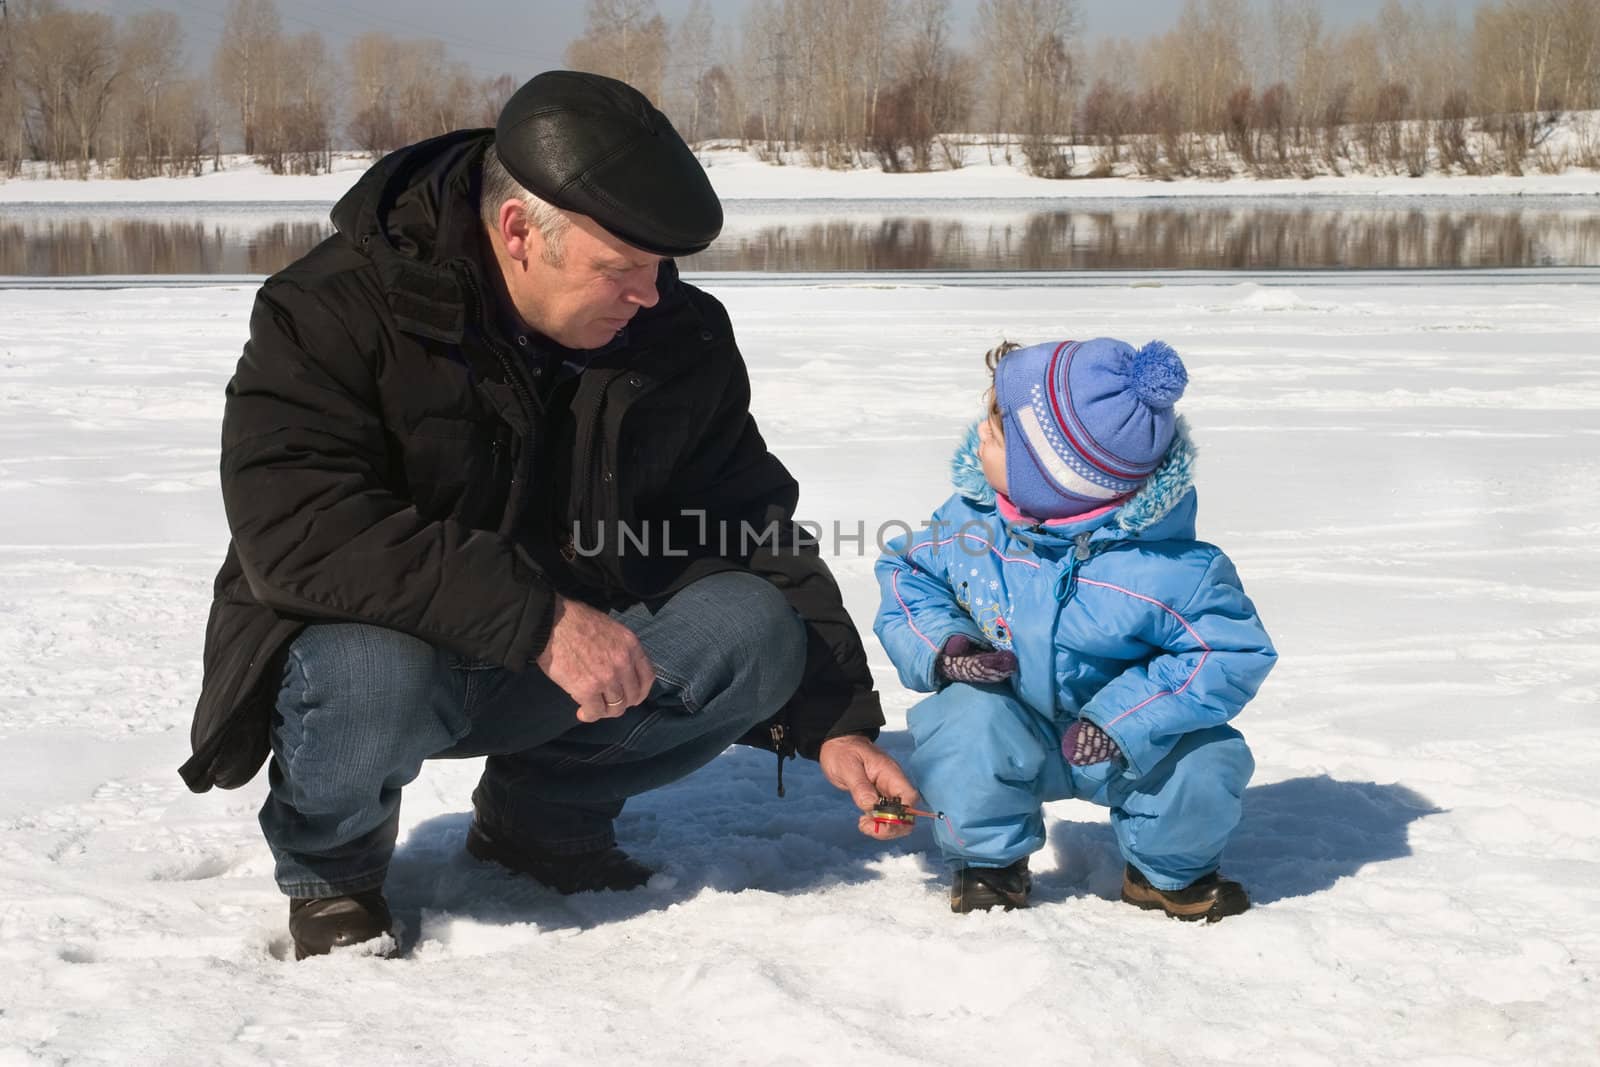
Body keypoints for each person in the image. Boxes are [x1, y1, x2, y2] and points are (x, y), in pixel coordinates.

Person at [181, 70, 917, 960]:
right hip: (383, 648)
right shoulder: (329, 310)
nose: (650, 294)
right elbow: (301, 531)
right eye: (622, 271)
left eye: (659, 268)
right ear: (519, 231)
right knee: (370, 672)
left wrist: (834, 718)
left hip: (566, 664)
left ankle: (541, 819)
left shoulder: (675, 330)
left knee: (755, 631)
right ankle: (332, 868)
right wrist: (536, 618)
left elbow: (745, 516)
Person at [873, 336, 1276, 919]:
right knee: (963, 722)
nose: (981, 433)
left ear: (1054, 478)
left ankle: (1166, 873)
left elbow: (1227, 652)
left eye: (1001, 428)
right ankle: (989, 862)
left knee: (1203, 760)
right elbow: (909, 575)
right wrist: (949, 646)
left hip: (1130, 743)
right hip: (1012, 718)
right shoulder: (971, 523)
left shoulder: (1173, 569)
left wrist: (1124, 721)